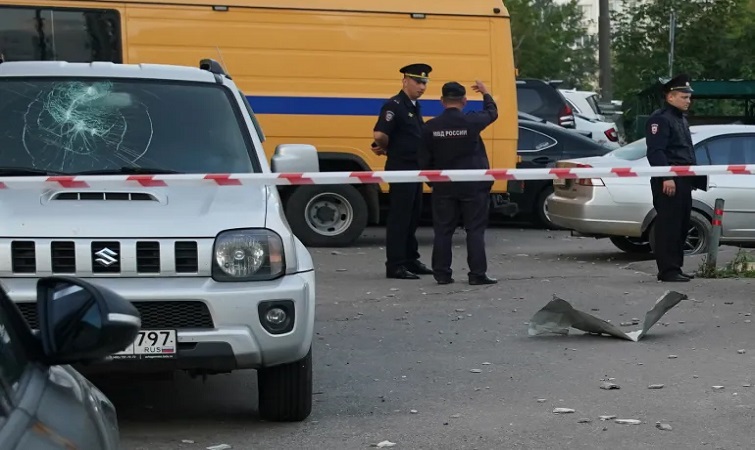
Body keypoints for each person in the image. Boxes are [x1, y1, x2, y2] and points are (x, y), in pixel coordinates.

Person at [418, 80, 498, 285]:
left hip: (444, 185)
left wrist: (434, 183)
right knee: (475, 230)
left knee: (443, 230)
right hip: (473, 184)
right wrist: (485, 93)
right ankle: (477, 274)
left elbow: (424, 160)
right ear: (464, 100)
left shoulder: (430, 127)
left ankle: (442, 274)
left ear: (441, 101)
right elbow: (492, 112)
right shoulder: (471, 121)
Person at [371, 63, 435, 280]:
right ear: (405, 81)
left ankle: (410, 259)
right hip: (401, 168)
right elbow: (380, 135)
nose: (422, 87)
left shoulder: (414, 106)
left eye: (425, 83)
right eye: (418, 82)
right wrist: (387, 148)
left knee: (413, 215)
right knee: (400, 218)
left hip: (415, 169)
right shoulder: (395, 105)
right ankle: (395, 264)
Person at [645, 73, 707, 283]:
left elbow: (685, 151)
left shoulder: (680, 119)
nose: (688, 101)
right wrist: (667, 177)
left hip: (683, 179)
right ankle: (668, 271)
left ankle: (676, 267)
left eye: (689, 97)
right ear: (670, 97)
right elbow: (656, 152)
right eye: (684, 97)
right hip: (670, 179)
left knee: (680, 226)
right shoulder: (660, 119)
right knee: (669, 226)